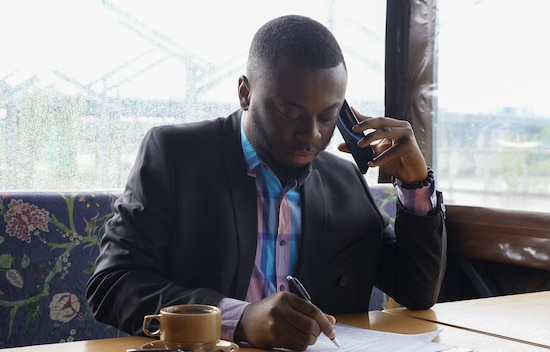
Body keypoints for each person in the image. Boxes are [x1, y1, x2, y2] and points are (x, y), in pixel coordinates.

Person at [87, 14, 446, 351]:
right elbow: (112, 285)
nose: (311, 135)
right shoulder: (177, 156)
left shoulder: (345, 182)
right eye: (290, 113)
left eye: (328, 116)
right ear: (244, 93)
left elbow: (416, 293)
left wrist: (415, 185)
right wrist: (239, 318)